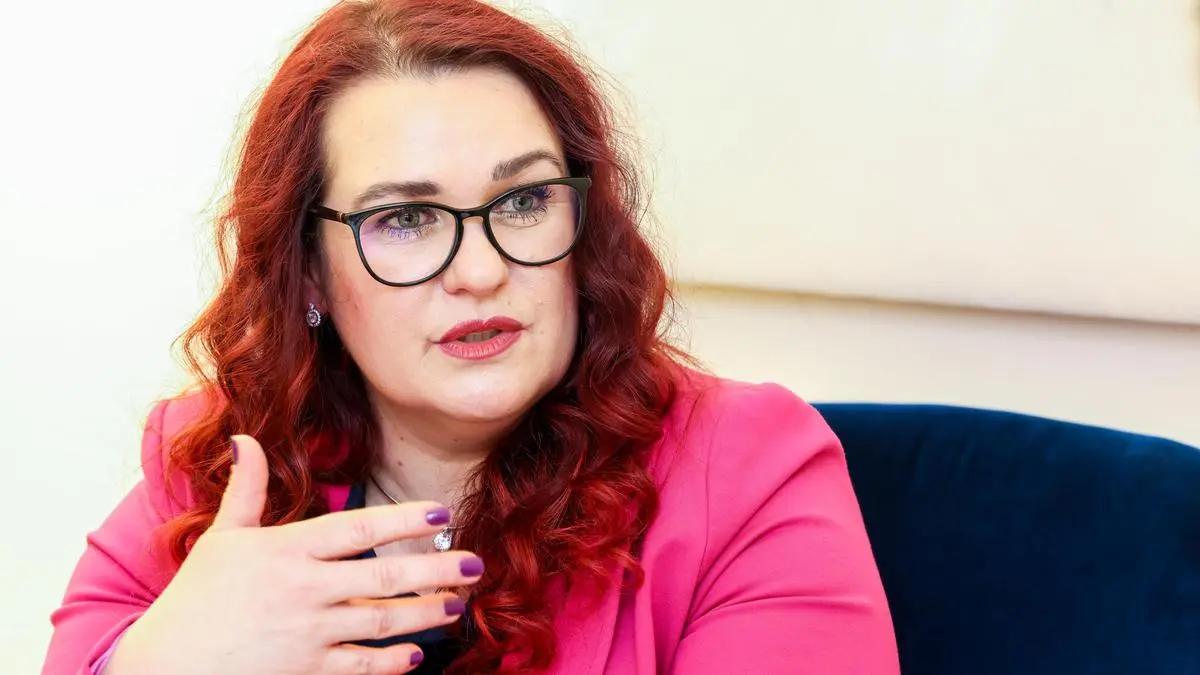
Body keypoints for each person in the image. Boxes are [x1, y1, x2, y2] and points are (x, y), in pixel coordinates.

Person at [40, 1, 900, 673]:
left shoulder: (749, 467)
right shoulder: (215, 462)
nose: (480, 270)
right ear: (308, 274)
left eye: (523, 200)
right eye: (405, 218)